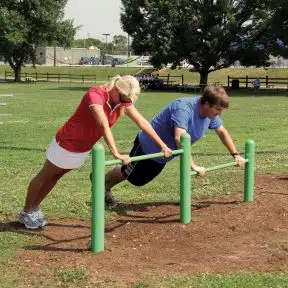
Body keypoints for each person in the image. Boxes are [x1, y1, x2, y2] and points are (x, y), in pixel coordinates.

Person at [19, 75, 172, 229]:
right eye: (123, 99)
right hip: (66, 143)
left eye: (128, 101)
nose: (125, 103)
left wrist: (162, 145)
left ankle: (34, 208)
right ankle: (26, 211)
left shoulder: (121, 101)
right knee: (45, 176)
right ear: (115, 89)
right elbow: (103, 124)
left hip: (82, 148)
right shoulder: (96, 95)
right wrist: (116, 154)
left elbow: (142, 122)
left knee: (55, 177)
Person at [104, 86, 246, 206]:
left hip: (163, 154)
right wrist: (193, 165)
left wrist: (235, 154)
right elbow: (180, 138)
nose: (219, 114)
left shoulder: (210, 116)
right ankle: (101, 183)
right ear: (207, 104)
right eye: (218, 109)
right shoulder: (184, 108)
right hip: (147, 145)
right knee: (127, 173)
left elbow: (222, 132)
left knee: (138, 180)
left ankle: (104, 185)